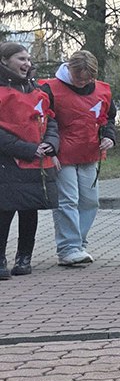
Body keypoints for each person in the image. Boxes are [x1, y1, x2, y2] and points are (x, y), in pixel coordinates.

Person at [46, 50, 114, 266]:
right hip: (61, 154)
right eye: (78, 78)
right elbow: (44, 121)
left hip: (89, 153)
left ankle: (79, 244)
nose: (82, 83)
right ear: (69, 70)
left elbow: (108, 118)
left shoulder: (103, 90)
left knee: (90, 201)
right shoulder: (49, 89)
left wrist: (109, 137)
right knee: (68, 200)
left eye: (88, 79)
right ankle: (68, 247)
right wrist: (49, 151)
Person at [0, 41, 59, 279]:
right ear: (4, 61)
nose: (27, 64)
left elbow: (52, 121)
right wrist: (26, 149)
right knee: (4, 210)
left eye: (28, 59)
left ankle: (24, 258)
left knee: (29, 208)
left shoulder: (39, 91)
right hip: (7, 161)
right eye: (21, 59)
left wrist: (51, 145)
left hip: (36, 159)